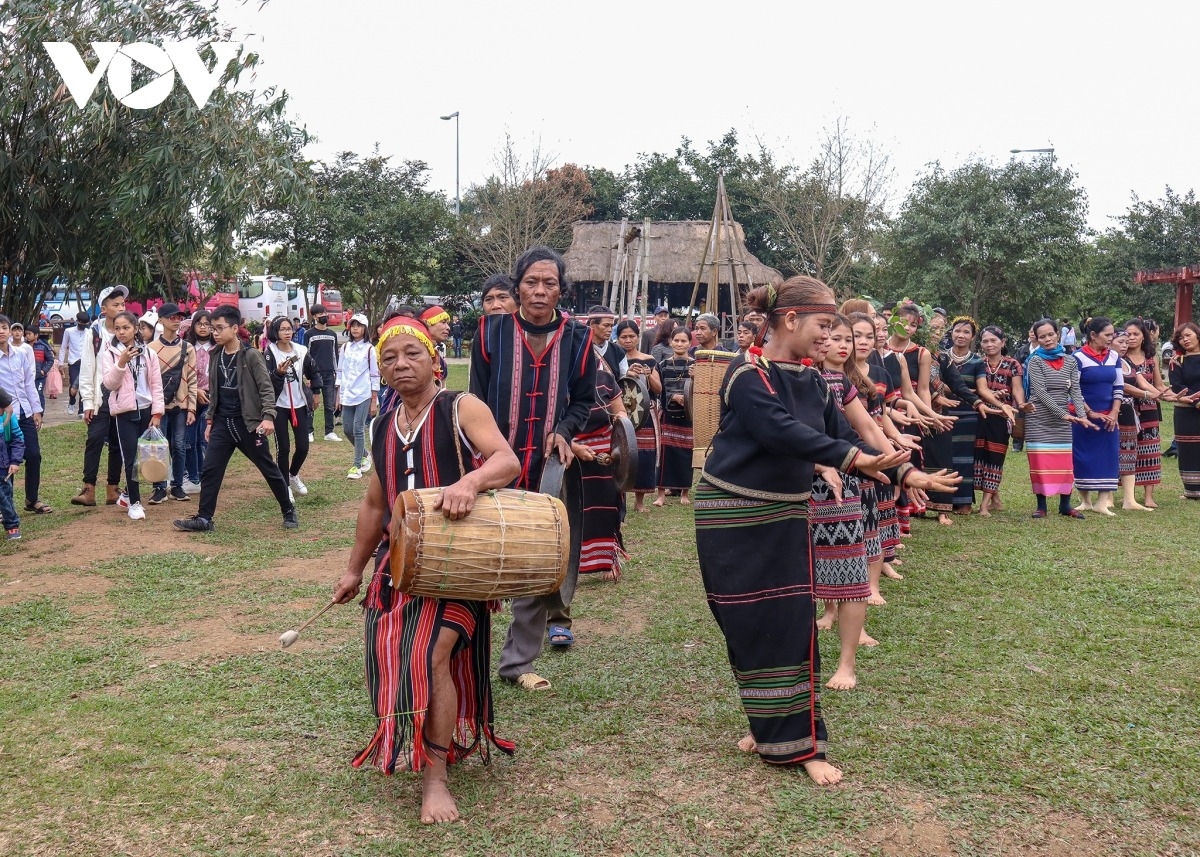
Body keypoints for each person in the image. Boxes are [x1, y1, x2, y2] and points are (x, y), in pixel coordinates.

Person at [693, 276, 951, 784]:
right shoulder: (747, 374)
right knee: (746, 626)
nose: (830, 336)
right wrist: (858, 459)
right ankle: (769, 724)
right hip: (730, 514)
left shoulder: (811, 380)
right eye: (823, 325)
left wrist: (904, 472)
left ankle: (800, 745)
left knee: (791, 623)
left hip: (786, 514)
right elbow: (782, 433)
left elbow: (838, 432)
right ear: (790, 320)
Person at [332, 317, 519, 825]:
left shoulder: (461, 407)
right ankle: (417, 742)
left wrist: (471, 483)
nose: (400, 365)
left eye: (411, 353)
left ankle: (435, 779)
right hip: (398, 564)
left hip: (459, 563)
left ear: (433, 358)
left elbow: (507, 460)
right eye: (389, 358)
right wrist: (353, 570)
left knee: (433, 651)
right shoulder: (380, 425)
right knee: (394, 655)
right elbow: (376, 503)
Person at [469, 246, 597, 692]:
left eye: (550, 283)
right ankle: (464, 652)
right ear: (517, 286)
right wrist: (480, 458)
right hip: (494, 463)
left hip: (547, 467)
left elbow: (583, 398)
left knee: (536, 557)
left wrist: (564, 429)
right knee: (483, 555)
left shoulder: (578, 338)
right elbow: (475, 402)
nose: (540, 291)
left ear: (562, 289)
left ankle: (517, 664)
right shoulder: (490, 333)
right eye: (531, 282)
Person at [173, 305, 298, 533]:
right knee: (211, 469)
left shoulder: (251, 356)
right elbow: (215, 391)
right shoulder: (216, 355)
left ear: (234, 328)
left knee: (268, 468)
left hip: (248, 424)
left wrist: (268, 417)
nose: (215, 333)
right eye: (213, 328)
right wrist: (210, 421)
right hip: (222, 423)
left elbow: (266, 389)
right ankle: (204, 519)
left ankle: (288, 509)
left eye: (220, 328)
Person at [100, 312, 165, 520]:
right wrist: (121, 363)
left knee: (145, 456)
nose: (121, 332)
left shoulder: (148, 353)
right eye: (117, 328)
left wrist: (157, 412)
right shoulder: (109, 353)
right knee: (130, 458)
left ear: (135, 328)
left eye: (126, 327)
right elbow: (109, 385)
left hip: (146, 409)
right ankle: (135, 503)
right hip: (124, 412)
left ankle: (128, 494)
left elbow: (156, 384)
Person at [1024, 318, 1091, 519]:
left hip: (1063, 420)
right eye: (1042, 336)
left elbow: (1076, 391)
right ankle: (1041, 505)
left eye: (1050, 334)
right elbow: (1040, 393)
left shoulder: (1070, 360)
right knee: (1040, 463)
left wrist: (1081, 415)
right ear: (1036, 338)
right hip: (1040, 419)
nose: (1047, 339)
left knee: (1064, 463)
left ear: (1058, 334)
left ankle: (1065, 505)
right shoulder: (1035, 360)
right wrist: (1064, 414)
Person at [74, 286, 129, 507]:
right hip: (100, 397)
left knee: (117, 443)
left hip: (123, 396)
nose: (120, 308)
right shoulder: (94, 333)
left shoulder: (127, 331)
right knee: (95, 439)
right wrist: (87, 401)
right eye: (115, 305)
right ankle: (89, 489)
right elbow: (87, 368)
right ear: (103, 309)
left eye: (122, 304)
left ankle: (112, 489)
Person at [1072, 317, 1123, 516]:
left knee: (1108, 456)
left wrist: (1114, 412)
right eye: (1107, 334)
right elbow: (1073, 389)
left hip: (1109, 416)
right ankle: (1085, 500)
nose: (1111, 338)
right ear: (1093, 335)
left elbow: (1118, 386)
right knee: (1082, 456)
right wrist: (1088, 412)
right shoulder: (1078, 357)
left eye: (1113, 334)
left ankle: (1102, 502)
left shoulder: (1114, 357)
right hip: (1083, 415)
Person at [265, 316, 321, 498]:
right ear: (275, 332)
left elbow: (313, 371)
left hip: (299, 404)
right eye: (282, 329)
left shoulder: (301, 350)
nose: (287, 332)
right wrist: (279, 373)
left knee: (303, 446)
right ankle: (283, 485)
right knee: (284, 448)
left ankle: (293, 475)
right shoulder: (270, 352)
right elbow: (267, 382)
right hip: (279, 406)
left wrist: (316, 392)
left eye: (289, 329)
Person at [146, 303, 196, 503]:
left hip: (181, 405)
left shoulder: (187, 348)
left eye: (179, 317)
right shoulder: (150, 349)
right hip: (159, 407)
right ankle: (159, 487)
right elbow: (148, 380)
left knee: (179, 445)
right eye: (171, 317)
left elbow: (192, 378)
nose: (176, 321)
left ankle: (177, 486)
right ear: (161, 320)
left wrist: (191, 407)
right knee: (158, 446)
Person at [973, 326, 1025, 516]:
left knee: (996, 457)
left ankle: (984, 505)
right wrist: (992, 394)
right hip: (980, 414)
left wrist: (1020, 404)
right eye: (985, 341)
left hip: (1003, 416)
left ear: (1002, 343)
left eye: (993, 340)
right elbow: (976, 389)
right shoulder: (977, 363)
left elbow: (1017, 388)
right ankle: (994, 498)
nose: (989, 344)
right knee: (980, 457)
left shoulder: (1013, 364)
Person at [0, 316, 49, 516]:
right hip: (3, 417)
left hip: (24, 412)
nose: (1, 331)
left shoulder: (21, 354)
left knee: (34, 455)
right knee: (5, 461)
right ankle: (6, 505)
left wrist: (36, 410)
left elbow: (29, 383)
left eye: (4, 327)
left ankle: (31, 499)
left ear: (10, 330)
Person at [615, 320, 661, 511]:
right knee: (622, 455)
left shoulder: (649, 359)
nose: (628, 340)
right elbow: (611, 386)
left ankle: (640, 502)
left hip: (643, 414)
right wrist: (627, 374)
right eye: (623, 337)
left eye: (631, 336)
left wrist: (648, 375)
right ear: (617, 339)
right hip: (621, 413)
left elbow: (658, 389)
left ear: (638, 337)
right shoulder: (614, 358)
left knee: (644, 454)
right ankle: (621, 500)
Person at [1121, 319, 1164, 509]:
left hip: (1149, 410)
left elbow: (1159, 386)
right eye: (1127, 334)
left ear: (1143, 336)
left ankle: (1148, 496)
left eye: (1135, 334)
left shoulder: (1151, 358)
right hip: (1126, 408)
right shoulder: (1119, 356)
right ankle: (1124, 495)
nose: (1131, 338)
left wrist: (1172, 395)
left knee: (1150, 450)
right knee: (1125, 450)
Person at [944, 317, 985, 513]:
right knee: (944, 456)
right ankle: (943, 500)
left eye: (966, 332)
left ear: (973, 337)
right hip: (942, 414)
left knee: (965, 458)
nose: (961, 335)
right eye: (957, 330)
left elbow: (981, 389)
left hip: (968, 415)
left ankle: (964, 502)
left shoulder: (977, 362)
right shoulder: (940, 357)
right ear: (951, 332)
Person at [337, 314, 379, 479]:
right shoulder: (345, 348)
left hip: (363, 393)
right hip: (347, 393)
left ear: (365, 328)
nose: (355, 328)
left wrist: (373, 399)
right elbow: (340, 371)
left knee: (358, 428)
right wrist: (339, 395)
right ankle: (364, 454)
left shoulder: (370, 349)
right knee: (347, 429)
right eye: (353, 325)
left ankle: (356, 466)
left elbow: (374, 375)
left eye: (359, 325)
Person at [656, 328, 694, 506]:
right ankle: (661, 494)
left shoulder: (695, 365)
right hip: (668, 415)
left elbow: (699, 391)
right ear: (671, 342)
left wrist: (696, 378)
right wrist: (672, 398)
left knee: (686, 454)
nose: (679, 344)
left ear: (689, 343)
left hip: (688, 416)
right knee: (665, 454)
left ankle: (684, 493)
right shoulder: (663, 365)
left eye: (683, 341)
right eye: (676, 340)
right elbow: (659, 390)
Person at [1167, 322, 1200, 499]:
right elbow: (1177, 385)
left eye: (1188, 335)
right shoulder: (1177, 361)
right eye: (1181, 337)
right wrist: (1197, 402)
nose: (1185, 339)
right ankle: (1192, 490)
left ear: (1197, 334)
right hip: (1185, 411)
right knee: (1188, 448)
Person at [183, 310, 214, 492]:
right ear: (193, 326)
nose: (203, 327)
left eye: (207, 324)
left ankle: (207, 475)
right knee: (189, 439)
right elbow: (182, 375)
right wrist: (194, 390)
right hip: (190, 398)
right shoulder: (186, 348)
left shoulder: (217, 348)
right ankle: (191, 476)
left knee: (206, 439)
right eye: (199, 324)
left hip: (212, 399)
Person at [305, 304, 341, 442]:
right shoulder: (309, 334)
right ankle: (309, 432)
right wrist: (307, 375)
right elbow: (306, 355)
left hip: (329, 374)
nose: (323, 316)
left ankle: (329, 431)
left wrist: (337, 372)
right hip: (314, 374)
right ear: (314, 316)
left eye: (325, 313)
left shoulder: (332, 334)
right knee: (312, 403)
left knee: (329, 404)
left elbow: (334, 355)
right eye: (320, 314)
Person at [0, 386, 25, 540]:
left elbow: (18, 440)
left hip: (4, 466)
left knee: (4, 496)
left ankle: (12, 525)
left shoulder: (8, 419)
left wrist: (15, 461)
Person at [59, 311, 90, 415]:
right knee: (73, 386)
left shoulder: (89, 332)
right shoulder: (69, 331)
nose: (84, 326)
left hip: (86, 362)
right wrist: (60, 363)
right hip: (74, 362)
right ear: (77, 321)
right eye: (82, 323)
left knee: (84, 385)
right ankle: (72, 401)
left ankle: (81, 410)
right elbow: (63, 347)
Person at [586, 305, 623, 377]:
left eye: (611, 326)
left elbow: (623, 378)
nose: (610, 330)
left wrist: (629, 373)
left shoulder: (617, 350)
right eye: (606, 325)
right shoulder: (579, 348)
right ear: (592, 324)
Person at [419, 305, 452, 382]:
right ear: (426, 323)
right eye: (443, 322)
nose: (448, 328)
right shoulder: (415, 356)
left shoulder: (441, 362)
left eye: (447, 323)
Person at [24, 326, 55, 408]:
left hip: (39, 377)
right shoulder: (23, 347)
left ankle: (40, 414)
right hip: (26, 376)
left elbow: (51, 360)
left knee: (39, 394)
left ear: (36, 335)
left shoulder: (43, 346)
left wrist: (44, 370)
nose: (27, 336)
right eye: (26, 334)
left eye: (29, 334)